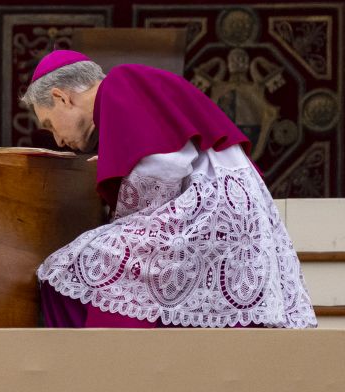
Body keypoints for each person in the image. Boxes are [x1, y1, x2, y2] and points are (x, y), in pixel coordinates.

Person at [22, 49, 316, 328]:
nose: (58, 140)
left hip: (211, 213)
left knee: (66, 268)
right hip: (227, 218)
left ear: (61, 98)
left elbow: (166, 167)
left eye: (49, 125)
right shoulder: (122, 93)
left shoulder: (119, 84)